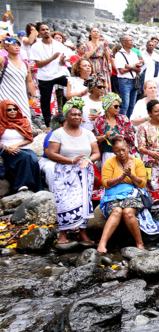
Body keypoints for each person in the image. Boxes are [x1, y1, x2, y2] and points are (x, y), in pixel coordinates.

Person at [45, 99, 99, 246]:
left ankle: (83, 233)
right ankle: (63, 233)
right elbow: (51, 153)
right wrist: (71, 161)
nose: (76, 117)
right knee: (64, 202)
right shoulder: (58, 133)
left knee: (84, 201)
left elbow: (96, 153)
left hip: (84, 171)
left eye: (79, 114)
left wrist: (88, 160)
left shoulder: (88, 133)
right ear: (66, 116)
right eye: (73, 114)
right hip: (64, 171)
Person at [96, 137, 159, 252]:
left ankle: (140, 243)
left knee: (127, 212)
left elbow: (142, 183)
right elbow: (105, 183)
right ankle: (102, 244)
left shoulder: (137, 162)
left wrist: (131, 175)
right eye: (117, 151)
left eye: (123, 150)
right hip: (113, 194)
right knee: (116, 211)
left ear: (128, 148)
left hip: (132, 193)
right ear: (113, 151)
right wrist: (120, 177)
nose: (121, 153)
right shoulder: (109, 162)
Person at [30, 22, 69, 127]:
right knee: (45, 101)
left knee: (73, 85)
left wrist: (62, 61)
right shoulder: (36, 46)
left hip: (59, 73)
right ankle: (48, 124)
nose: (46, 31)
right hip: (45, 76)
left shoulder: (58, 44)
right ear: (39, 32)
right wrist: (52, 58)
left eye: (47, 29)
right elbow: (39, 64)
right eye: (43, 30)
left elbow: (62, 63)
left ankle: (67, 115)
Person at [0, 100, 42, 192]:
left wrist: (16, 145)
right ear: (3, 111)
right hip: (6, 150)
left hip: (23, 147)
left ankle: (38, 188)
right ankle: (22, 185)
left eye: (15, 109)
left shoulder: (23, 121)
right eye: (9, 110)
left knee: (34, 160)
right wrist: (5, 148)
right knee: (25, 157)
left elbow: (29, 138)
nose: (13, 111)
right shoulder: (1, 122)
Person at [94, 93, 137, 167]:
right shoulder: (99, 121)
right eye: (116, 106)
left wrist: (121, 137)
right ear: (107, 107)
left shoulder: (123, 119)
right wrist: (105, 136)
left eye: (119, 106)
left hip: (124, 154)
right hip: (107, 154)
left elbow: (132, 137)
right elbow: (95, 140)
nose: (118, 108)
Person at [0, 35, 36, 121]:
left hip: (21, 95)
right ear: (7, 47)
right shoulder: (3, 60)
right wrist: (2, 43)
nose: (17, 47)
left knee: (25, 119)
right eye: (14, 45)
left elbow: (30, 81)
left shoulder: (25, 63)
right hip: (5, 94)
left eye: (18, 45)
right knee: (6, 120)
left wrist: (34, 96)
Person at [114, 34, 144, 118]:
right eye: (129, 40)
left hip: (134, 80)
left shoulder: (134, 54)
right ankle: (122, 123)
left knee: (132, 105)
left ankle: (130, 123)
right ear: (123, 42)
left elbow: (138, 68)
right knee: (125, 105)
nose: (132, 42)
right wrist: (133, 67)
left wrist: (129, 66)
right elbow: (121, 71)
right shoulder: (119, 54)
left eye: (132, 40)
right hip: (124, 81)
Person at [83, 26, 113, 92]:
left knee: (104, 85)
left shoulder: (102, 44)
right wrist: (95, 47)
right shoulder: (86, 44)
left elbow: (109, 57)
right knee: (94, 84)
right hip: (92, 65)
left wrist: (105, 48)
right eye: (94, 31)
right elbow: (85, 56)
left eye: (97, 32)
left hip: (103, 67)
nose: (96, 33)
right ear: (90, 33)